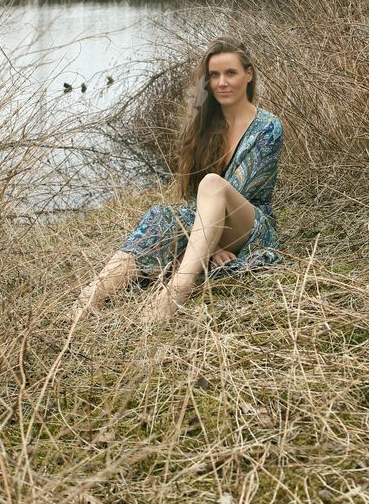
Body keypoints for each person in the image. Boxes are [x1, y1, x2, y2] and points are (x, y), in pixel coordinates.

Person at [72, 36, 284, 324]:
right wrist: (209, 244)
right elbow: (191, 196)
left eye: (231, 73)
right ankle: (86, 302)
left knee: (212, 183)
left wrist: (212, 243)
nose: (222, 82)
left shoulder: (268, 128)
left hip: (249, 226)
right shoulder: (204, 126)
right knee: (160, 217)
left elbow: (237, 191)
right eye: (214, 75)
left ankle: (176, 292)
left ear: (248, 75)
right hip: (205, 223)